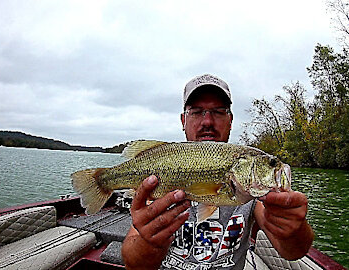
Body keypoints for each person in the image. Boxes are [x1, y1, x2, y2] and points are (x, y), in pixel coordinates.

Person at [121, 74, 314, 270]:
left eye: (218, 112)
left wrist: (294, 229)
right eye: (196, 112)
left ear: (230, 120)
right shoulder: (156, 174)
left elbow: (293, 252)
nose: (207, 121)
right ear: (183, 120)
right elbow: (133, 264)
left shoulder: (255, 193)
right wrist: (149, 242)